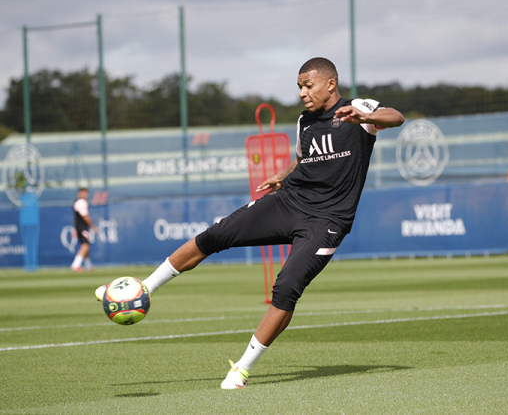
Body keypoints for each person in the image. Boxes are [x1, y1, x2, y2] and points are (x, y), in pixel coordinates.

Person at [96, 57, 404, 389]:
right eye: (299, 86)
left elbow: (396, 117)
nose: (302, 92)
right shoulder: (304, 121)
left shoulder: (357, 109)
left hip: (327, 219)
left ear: (330, 83)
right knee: (217, 234)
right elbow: (304, 158)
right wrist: (283, 177)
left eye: (308, 85)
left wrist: (367, 117)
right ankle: (145, 289)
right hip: (289, 201)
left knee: (286, 287)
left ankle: (242, 368)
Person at [71, 187, 98, 273]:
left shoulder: (77, 202)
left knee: (86, 246)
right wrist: (93, 226)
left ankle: (89, 265)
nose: (85, 195)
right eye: (83, 193)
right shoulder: (81, 202)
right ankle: (75, 264)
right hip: (82, 228)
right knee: (85, 246)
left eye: (86, 193)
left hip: (80, 228)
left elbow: (75, 218)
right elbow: (85, 216)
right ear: (79, 193)